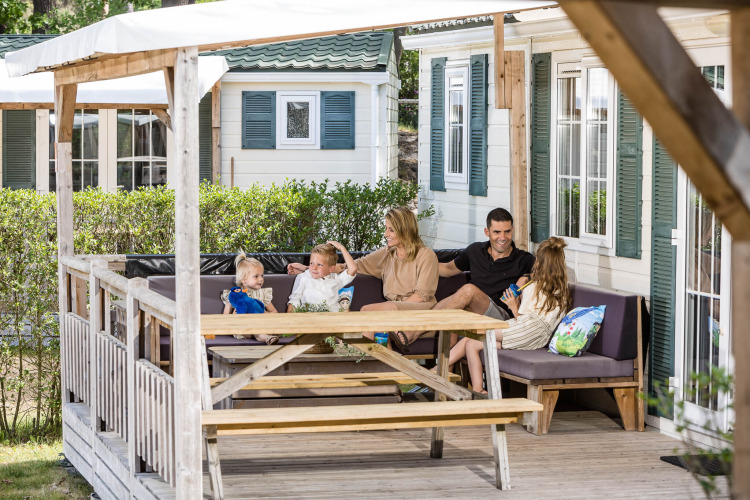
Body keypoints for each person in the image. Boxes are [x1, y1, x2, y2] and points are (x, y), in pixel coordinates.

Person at [288, 206, 439, 343]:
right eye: (386, 228)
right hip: (391, 313)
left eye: (391, 230)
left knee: (367, 311)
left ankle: (366, 363)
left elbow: (421, 296)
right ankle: (378, 366)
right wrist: (309, 269)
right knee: (376, 326)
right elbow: (356, 265)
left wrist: (393, 314)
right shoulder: (387, 253)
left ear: (405, 230)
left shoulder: (426, 255)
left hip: (418, 312)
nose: (386, 234)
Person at [397, 207, 535, 348]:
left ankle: (414, 330)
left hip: (501, 318)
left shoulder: (524, 259)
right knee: (453, 310)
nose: (503, 237)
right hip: (472, 313)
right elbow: (448, 269)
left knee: (468, 290)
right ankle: (444, 368)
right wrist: (415, 264)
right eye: (497, 232)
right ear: (487, 232)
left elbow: (548, 274)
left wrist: (527, 277)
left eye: (507, 231)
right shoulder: (475, 251)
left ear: (512, 230)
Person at [447, 237, 571, 393]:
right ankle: (479, 390)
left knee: (474, 332)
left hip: (526, 330)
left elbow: (522, 320)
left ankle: (441, 368)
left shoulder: (535, 287)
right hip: (538, 339)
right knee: (472, 344)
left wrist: (513, 305)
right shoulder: (561, 289)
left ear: (539, 262)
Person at [221, 252, 279, 345]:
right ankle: (268, 338)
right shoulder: (235, 296)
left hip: (261, 325)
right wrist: (234, 317)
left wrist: (266, 314)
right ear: (244, 279)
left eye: (262, 275)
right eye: (256, 276)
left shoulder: (263, 294)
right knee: (256, 330)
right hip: (244, 329)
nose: (261, 279)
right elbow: (224, 319)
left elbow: (275, 313)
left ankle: (269, 337)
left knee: (260, 329)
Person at [287, 241, 357, 312]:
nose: (314, 268)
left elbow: (353, 269)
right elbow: (294, 302)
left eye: (319, 265)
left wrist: (341, 248)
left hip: (333, 319)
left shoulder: (335, 279)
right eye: (311, 263)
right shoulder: (303, 277)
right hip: (310, 319)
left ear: (331, 268)